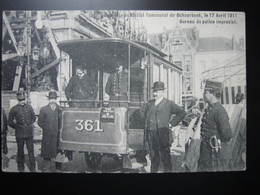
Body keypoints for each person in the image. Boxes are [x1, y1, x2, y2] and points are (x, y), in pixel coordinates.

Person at [141, 81, 186, 173]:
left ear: (162, 92)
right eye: (154, 91)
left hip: (163, 135)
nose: (155, 93)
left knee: (166, 158)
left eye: (157, 91)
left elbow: (182, 112)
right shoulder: (149, 104)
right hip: (151, 135)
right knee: (154, 158)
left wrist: (172, 123)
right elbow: (142, 114)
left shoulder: (169, 104)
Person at [198, 80, 232, 172]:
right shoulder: (210, 108)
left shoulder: (219, 110)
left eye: (205, 92)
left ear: (211, 93)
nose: (204, 94)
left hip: (213, 153)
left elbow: (227, 135)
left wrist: (216, 141)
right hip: (206, 151)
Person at [8, 91, 36, 172]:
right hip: (19, 134)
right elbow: (10, 121)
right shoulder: (14, 109)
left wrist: (29, 124)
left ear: (25, 99)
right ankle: (21, 168)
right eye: (21, 100)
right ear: (18, 99)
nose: (22, 101)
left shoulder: (29, 107)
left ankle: (33, 168)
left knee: (31, 151)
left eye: (23, 99)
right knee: (20, 151)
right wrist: (17, 127)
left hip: (29, 134)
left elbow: (34, 118)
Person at [38, 91, 63, 172]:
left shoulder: (60, 109)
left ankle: (58, 169)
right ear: (48, 99)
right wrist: (47, 128)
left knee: (58, 153)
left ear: (56, 99)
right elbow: (40, 122)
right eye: (51, 98)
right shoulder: (43, 109)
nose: (53, 100)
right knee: (47, 154)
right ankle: (46, 169)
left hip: (58, 135)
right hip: (47, 135)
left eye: (54, 98)